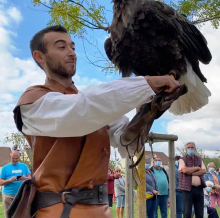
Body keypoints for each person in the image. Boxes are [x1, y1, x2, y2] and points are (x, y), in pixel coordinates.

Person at [13, 25, 180, 218]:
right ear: (40, 56)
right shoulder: (34, 100)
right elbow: (82, 111)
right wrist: (147, 84)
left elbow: (126, 143)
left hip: (101, 210)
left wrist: (150, 112)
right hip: (59, 211)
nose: (71, 53)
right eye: (61, 47)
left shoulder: (97, 107)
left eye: (73, 48)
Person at [179, 142, 207, 218]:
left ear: (195, 149)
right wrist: (197, 168)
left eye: (192, 147)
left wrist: (190, 172)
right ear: (186, 149)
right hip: (187, 189)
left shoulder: (199, 159)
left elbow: (204, 171)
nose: (190, 149)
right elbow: (184, 170)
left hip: (199, 188)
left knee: (199, 213)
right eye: (189, 147)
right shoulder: (182, 159)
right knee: (187, 213)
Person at [0, 150, 31, 218]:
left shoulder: (24, 166)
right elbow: (0, 182)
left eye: (17, 158)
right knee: (9, 214)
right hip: (8, 195)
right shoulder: (5, 168)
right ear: (10, 156)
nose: (15, 160)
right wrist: (10, 180)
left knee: (21, 214)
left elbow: (30, 178)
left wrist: (25, 178)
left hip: (21, 194)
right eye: (13, 158)